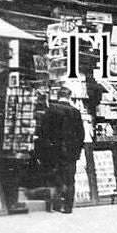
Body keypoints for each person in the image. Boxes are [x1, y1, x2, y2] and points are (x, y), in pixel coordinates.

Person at [35, 86, 85, 214]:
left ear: (58, 96)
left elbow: (43, 132)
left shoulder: (51, 110)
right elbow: (81, 134)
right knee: (69, 180)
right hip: (70, 152)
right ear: (69, 96)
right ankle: (68, 207)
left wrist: (43, 149)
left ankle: (53, 206)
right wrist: (77, 151)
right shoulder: (75, 112)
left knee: (53, 177)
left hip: (53, 151)